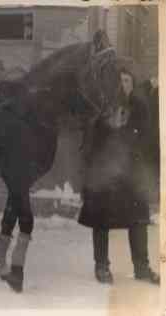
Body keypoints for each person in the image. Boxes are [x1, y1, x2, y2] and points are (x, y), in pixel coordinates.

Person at [78, 67, 160, 285]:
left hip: (130, 173)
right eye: (120, 81)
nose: (123, 84)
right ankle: (102, 266)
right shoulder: (105, 109)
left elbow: (146, 137)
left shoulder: (140, 108)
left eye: (127, 80)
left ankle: (142, 267)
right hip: (107, 174)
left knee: (138, 222)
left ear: (132, 84)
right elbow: (93, 141)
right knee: (101, 221)